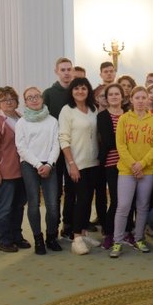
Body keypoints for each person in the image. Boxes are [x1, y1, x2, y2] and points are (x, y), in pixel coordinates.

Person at [109, 86, 153, 258]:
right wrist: (133, 165)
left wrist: (142, 164)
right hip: (127, 170)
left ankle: (139, 238)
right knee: (123, 206)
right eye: (137, 98)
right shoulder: (124, 119)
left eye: (143, 97)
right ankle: (117, 241)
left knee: (142, 206)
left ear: (148, 100)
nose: (140, 101)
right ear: (131, 100)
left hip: (147, 171)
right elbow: (121, 145)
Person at [15, 86, 62, 254]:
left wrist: (49, 164)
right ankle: (38, 239)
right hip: (29, 165)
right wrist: (37, 164)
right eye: (30, 97)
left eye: (37, 96)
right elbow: (21, 148)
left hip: (50, 164)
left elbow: (56, 144)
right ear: (25, 102)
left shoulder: (52, 121)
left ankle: (51, 237)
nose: (34, 99)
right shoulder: (21, 123)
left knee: (53, 206)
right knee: (33, 204)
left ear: (42, 99)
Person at [0, 86, 29, 253]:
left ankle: (16, 236)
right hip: (5, 173)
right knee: (4, 208)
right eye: (4, 100)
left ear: (17, 101)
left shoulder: (20, 117)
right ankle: (4, 240)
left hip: (22, 171)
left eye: (12, 99)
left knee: (18, 206)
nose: (9, 102)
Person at [58, 77, 101, 255]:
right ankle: (76, 238)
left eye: (83, 88)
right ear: (71, 91)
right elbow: (63, 139)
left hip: (94, 162)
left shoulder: (93, 109)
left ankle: (83, 233)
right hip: (77, 164)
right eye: (76, 88)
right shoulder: (67, 110)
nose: (80, 91)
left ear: (88, 91)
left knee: (88, 199)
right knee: (81, 201)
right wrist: (72, 164)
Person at [42, 57, 76, 240]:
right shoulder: (48, 94)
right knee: (54, 192)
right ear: (57, 72)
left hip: (72, 149)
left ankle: (68, 226)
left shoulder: (76, 92)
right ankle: (52, 229)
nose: (66, 73)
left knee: (72, 191)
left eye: (69, 69)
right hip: (54, 150)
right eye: (63, 70)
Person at [96, 83, 125, 250]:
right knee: (116, 200)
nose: (114, 97)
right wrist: (125, 143)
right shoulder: (102, 116)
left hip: (128, 163)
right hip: (111, 163)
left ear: (122, 96)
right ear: (106, 98)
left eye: (117, 94)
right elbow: (108, 141)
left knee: (127, 201)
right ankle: (108, 233)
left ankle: (126, 231)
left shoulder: (128, 114)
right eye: (111, 94)